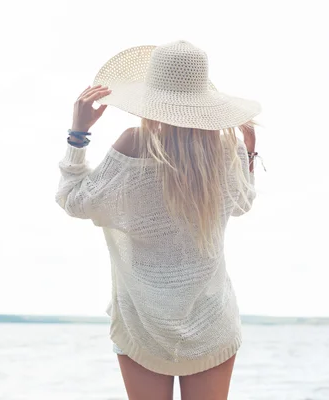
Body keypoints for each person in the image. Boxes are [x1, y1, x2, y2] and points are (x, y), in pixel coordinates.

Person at [56, 40, 261, 400]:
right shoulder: (228, 151)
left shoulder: (134, 145)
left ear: (150, 98)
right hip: (212, 318)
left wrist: (78, 134)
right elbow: (242, 203)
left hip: (142, 320)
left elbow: (74, 200)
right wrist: (249, 149)